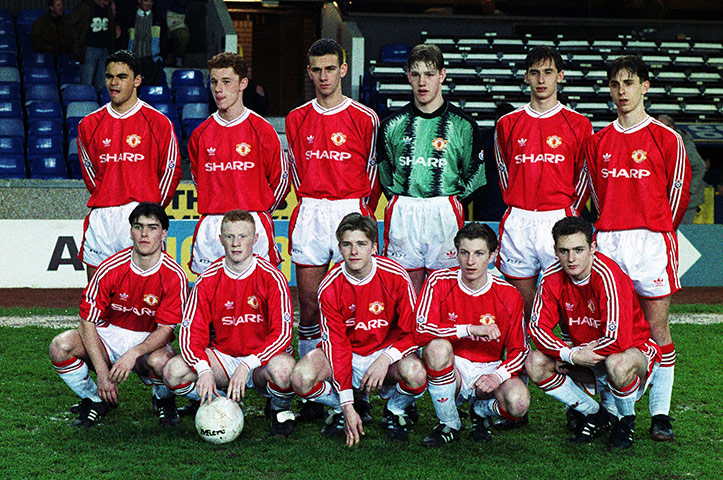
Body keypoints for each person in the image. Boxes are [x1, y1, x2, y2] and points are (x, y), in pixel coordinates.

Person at [581, 55, 691, 441]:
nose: (621, 91)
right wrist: (611, 224)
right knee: (611, 328)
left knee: (658, 329)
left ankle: (660, 414)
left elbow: (678, 194)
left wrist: (658, 228)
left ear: (645, 86)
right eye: (615, 84)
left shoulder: (667, 138)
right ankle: (614, 410)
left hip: (651, 241)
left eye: (628, 83)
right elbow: (595, 191)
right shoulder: (598, 141)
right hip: (610, 241)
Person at [290, 213, 426, 445]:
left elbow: (414, 332)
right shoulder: (330, 286)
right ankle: (346, 407)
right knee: (300, 378)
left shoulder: (395, 276)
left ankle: (394, 409)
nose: (354, 252)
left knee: (416, 373)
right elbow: (337, 347)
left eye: (361, 244)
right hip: (348, 354)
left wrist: (385, 358)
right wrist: (346, 405)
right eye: (347, 245)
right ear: (340, 249)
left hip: (386, 353)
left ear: (374, 247)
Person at [285, 38, 380, 367]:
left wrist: (358, 210)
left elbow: (373, 170)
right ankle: (310, 382)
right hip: (312, 210)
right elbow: (295, 168)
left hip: (350, 209)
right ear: (309, 73)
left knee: (355, 302)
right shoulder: (296, 118)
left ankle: (355, 379)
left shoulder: (365, 118)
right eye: (317, 70)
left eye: (330, 69)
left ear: (343, 69)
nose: (324, 76)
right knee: (310, 304)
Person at [49, 202, 188, 428]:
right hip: (107, 336)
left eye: (152, 228)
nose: (144, 234)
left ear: (164, 234)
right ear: (130, 231)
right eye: (138, 227)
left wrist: (134, 353)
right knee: (60, 346)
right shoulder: (110, 268)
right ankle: (95, 398)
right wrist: (103, 374)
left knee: (163, 362)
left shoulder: (174, 275)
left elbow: (165, 329)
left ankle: (164, 399)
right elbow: (87, 322)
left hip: (146, 342)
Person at [526, 217, 661, 449]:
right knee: (535, 362)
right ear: (555, 251)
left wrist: (578, 354)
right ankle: (596, 413)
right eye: (564, 250)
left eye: (579, 250)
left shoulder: (609, 276)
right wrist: (570, 355)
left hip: (631, 350)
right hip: (583, 354)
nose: (571, 258)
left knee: (617, 365)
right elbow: (537, 328)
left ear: (593, 248)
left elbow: (617, 339)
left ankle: (625, 420)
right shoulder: (551, 277)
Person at [163, 210, 297, 437]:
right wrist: (204, 370)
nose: (236, 243)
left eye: (243, 237)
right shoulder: (207, 279)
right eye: (230, 237)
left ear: (255, 239)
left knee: (284, 371)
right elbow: (189, 335)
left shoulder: (272, 277)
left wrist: (248, 365)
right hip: (223, 359)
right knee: (173, 372)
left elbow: (282, 334)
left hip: (260, 363)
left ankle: (278, 411)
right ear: (220, 239)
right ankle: (219, 401)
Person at [494, 45, 593, 323]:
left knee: (566, 304)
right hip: (520, 219)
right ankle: (524, 362)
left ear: (560, 76)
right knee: (521, 306)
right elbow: (504, 172)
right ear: (526, 77)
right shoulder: (507, 123)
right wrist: (519, 202)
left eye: (548, 73)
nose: (541, 80)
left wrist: (568, 210)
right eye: (535, 73)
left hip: (559, 216)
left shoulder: (579, 124)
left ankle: (569, 361)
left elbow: (584, 175)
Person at [377, 43, 485, 294]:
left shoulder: (464, 125)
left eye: (429, 74)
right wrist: (401, 199)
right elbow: (384, 172)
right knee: (404, 291)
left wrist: (452, 202)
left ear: (442, 75)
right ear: (408, 76)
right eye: (415, 75)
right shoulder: (392, 124)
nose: (422, 82)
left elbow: (476, 174)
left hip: (444, 209)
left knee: (445, 290)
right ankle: (408, 334)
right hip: (405, 208)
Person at [414, 222, 529, 446]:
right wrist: (468, 329)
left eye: (479, 253)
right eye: (464, 253)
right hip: (452, 367)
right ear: (456, 253)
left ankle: (481, 412)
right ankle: (449, 423)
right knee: (437, 348)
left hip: (489, 369)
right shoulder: (438, 282)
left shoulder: (509, 295)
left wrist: (497, 376)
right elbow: (420, 330)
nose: (470, 261)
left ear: (492, 256)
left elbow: (520, 349)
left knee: (519, 404)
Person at [77, 49, 182, 282]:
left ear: (137, 81)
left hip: (139, 214)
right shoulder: (89, 124)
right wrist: (107, 195)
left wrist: (150, 209)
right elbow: (89, 171)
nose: (114, 83)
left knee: (143, 289)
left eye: (122, 77)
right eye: (109, 76)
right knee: (97, 287)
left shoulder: (158, 122)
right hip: (103, 214)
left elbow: (171, 170)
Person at [187, 52, 288, 275]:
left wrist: (259, 210)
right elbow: (198, 180)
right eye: (214, 82)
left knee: (257, 296)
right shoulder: (200, 135)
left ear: (243, 84)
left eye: (226, 82)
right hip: (212, 224)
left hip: (253, 221)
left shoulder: (262, 130)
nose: (218, 89)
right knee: (210, 299)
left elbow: (281, 179)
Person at [657, 114, 706, 224]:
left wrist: (688, 189)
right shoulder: (655, 142)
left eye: (665, 126)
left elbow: (699, 167)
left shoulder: (683, 143)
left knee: (681, 231)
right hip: (665, 198)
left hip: (686, 200)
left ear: (672, 128)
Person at [66, 0, 118, 93]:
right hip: (89, 49)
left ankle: (99, 105)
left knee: (103, 84)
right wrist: (76, 43)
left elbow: (110, 26)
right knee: (87, 83)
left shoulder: (108, 8)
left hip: (105, 49)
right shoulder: (85, 7)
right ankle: (86, 105)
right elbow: (70, 24)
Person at [126, 0, 165, 86]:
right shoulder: (130, 17)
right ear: (139, 1)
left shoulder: (158, 18)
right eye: (146, 1)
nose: (149, 4)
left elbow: (164, 39)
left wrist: (159, 57)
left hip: (151, 59)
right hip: (133, 59)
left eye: (151, 1)